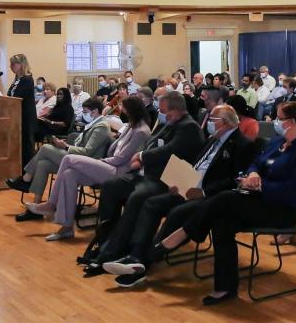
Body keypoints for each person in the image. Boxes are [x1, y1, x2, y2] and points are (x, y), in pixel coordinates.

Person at [156, 102, 296, 305]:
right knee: (222, 220)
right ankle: (225, 287)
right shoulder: (277, 142)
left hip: (283, 208)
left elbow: (295, 190)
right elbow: (256, 163)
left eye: (279, 118)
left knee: (225, 198)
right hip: (259, 200)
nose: (275, 122)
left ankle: (182, 234)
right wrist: (253, 173)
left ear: (292, 122)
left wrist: (260, 186)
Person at [95, 105, 262, 284]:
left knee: (177, 213)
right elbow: (196, 165)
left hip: (211, 196)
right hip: (188, 187)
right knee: (151, 204)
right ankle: (135, 253)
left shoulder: (243, 145)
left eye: (212, 121)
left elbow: (233, 179)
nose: (209, 124)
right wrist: (179, 181)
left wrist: (203, 192)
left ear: (225, 123)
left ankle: (143, 262)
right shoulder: (213, 139)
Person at [79, 92, 205, 273]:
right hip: (146, 173)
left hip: (165, 179)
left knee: (137, 197)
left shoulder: (189, 127)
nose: (161, 114)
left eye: (164, 111)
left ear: (176, 110)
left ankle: (116, 249)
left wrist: (141, 156)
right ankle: (106, 238)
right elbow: (152, 143)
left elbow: (169, 150)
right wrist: (142, 155)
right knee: (111, 187)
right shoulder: (169, 123)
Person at [25, 99, 151, 239]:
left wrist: (100, 161)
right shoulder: (131, 126)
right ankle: (66, 227)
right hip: (111, 165)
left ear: (132, 109)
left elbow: (121, 159)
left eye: (123, 107)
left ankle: (51, 204)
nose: (121, 109)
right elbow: (116, 151)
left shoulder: (141, 131)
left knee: (68, 159)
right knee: (69, 174)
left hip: (120, 171)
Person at [10, 98, 121, 218]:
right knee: (43, 164)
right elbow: (81, 145)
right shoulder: (94, 123)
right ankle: (36, 207)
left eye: (85, 111)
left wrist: (66, 147)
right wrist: (64, 145)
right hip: (77, 156)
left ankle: (26, 179)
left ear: (95, 111)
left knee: (45, 148)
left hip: (87, 162)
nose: (83, 114)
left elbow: (87, 152)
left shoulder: (102, 126)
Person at [8, 54, 40, 167]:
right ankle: (19, 171)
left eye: (13, 64)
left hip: (26, 117)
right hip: (17, 116)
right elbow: (10, 94)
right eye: (10, 64)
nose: (10, 66)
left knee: (26, 147)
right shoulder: (17, 79)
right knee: (19, 146)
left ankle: (27, 174)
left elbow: (18, 96)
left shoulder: (27, 79)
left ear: (21, 64)